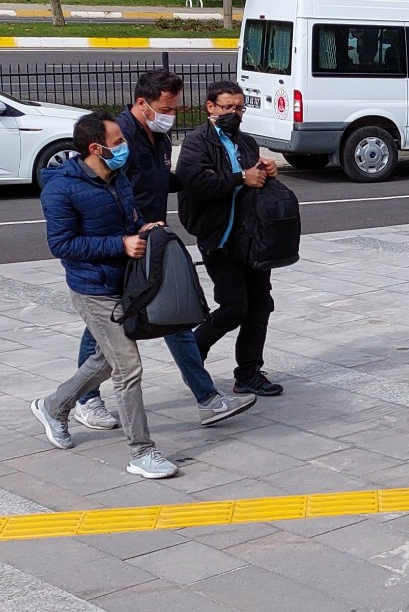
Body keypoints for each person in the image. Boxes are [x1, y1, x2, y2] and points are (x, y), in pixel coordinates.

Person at [67, 71, 256, 431]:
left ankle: (208, 399)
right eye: (165, 107)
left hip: (149, 238)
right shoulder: (119, 137)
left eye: (174, 106)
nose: (171, 114)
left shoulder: (159, 137)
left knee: (175, 317)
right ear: (142, 104)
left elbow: (160, 180)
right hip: (125, 243)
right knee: (104, 325)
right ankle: (84, 399)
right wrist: (129, 232)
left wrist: (198, 176)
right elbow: (111, 190)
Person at [31, 112, 178, 479]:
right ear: (95, 148)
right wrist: (121, 243)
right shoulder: (62, 188)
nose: (124, 147)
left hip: (123, 282)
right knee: (128, 366)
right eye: (117, 142)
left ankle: (53, 406)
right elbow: (61, 243)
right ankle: (142, 452)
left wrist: (140, 227)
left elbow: (125, 218)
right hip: (92, 288)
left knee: (106, 360)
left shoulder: (117, 175)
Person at [175, 82, 284, 397]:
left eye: (239, 108)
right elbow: (194, 183)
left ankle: (249, 372)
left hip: (252, 238)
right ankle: (192, 353)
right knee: (235, 306)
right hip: (219, 238)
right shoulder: (198, 142)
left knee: (260, 305)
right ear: (210, 107)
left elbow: (254, 178)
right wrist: (240, 178)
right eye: (227, 107)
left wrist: (266, 170)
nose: (233, 113)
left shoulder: (245, 142)